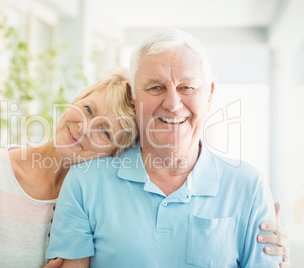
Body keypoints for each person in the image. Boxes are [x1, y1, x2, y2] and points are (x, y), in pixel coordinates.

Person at [46, 29, 289, 267]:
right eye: (155, 87)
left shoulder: (249, 187)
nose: (173, 104)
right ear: (132, 94)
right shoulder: (84, 183)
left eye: (187, 87)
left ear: (210, 94)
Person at [0, 69, 138, 268]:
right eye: (88, 109)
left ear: (114, 153)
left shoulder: (93, 203)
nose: (84, 128)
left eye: (105, 132)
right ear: (76, 101)